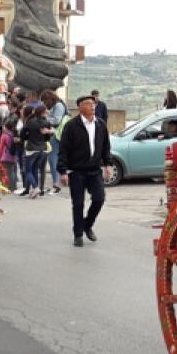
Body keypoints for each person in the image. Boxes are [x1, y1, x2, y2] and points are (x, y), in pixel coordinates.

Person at [58, 95, 111, 247]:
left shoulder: (100, 124)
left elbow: (106, 146)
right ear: (80, 107)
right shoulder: (71, 126)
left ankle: (87, 225)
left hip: (94, 170)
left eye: (93, 103)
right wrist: (63, 171)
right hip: (76, 171)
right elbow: (63, 150)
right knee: (78, 203)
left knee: (99, 198)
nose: (92, 106)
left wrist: (107, 164)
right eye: (88, 104)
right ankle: (78, 234)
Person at [23, 103, 52, 199]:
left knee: (28, 170)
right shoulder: (46, 122)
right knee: (35, 169)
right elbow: (48, 137)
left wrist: (26, 138)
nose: (47, 113)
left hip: (31, 148)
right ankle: (35, 189)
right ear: (42, 112)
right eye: (46, 111)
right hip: (43, 149)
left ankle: (35, 187)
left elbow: (23, 133)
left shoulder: (30, 121)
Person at [43, 90, 67, 193]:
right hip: (54, 134)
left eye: (45, 101)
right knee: (52, 159)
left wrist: (45, 118)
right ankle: (55, 183)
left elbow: (57, 120)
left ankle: (56, 185)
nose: (44, 104)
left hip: (56, 135)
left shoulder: (58, 106)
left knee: (53, 160)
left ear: (50, 99)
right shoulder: (56, 106)